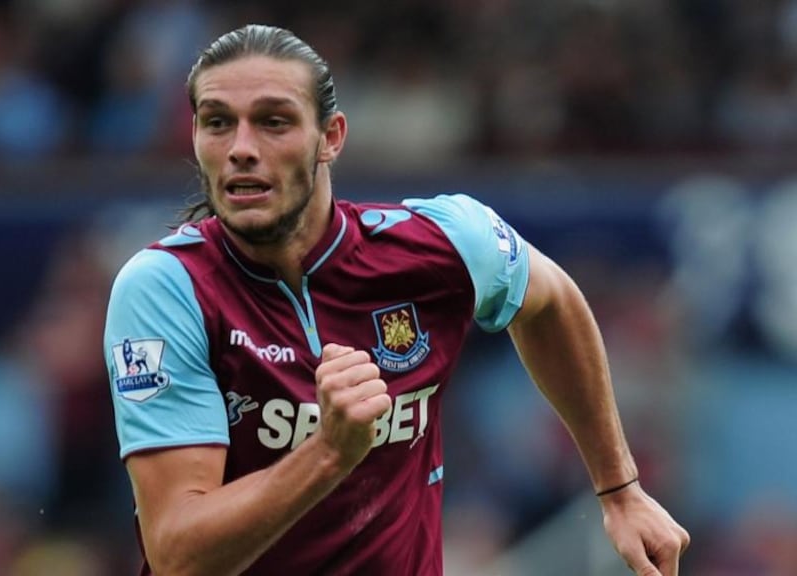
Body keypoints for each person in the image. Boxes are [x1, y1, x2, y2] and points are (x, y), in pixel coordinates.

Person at [104, 24, 690, 576]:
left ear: (330, 137)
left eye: (274, 122)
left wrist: (620, 490)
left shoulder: (441, 245)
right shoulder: (166, 289)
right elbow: (179, 557)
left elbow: (553, 300)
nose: (241, 148)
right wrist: (329, 452)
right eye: (217, 123)